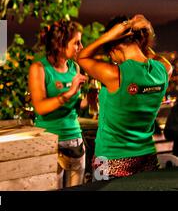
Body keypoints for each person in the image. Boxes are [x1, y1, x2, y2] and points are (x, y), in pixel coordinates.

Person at [77, 14, 172, 180]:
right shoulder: (163, 70)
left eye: (110, 55)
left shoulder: (116, 74)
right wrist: (146, 30)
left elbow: (82, 57)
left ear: (114, 48)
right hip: (146, 157)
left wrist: (108, 36)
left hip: (109, 160)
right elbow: (156, 59)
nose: (113, 60)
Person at [29, 20, 88, 188]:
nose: (81, 47)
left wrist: (89, 101)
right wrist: (69, 92)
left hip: (75, 140)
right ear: (61, 45)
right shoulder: (40, 68)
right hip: (50, 141)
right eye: (76, 43)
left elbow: (73, 106)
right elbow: (40, 107)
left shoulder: (74, 68)